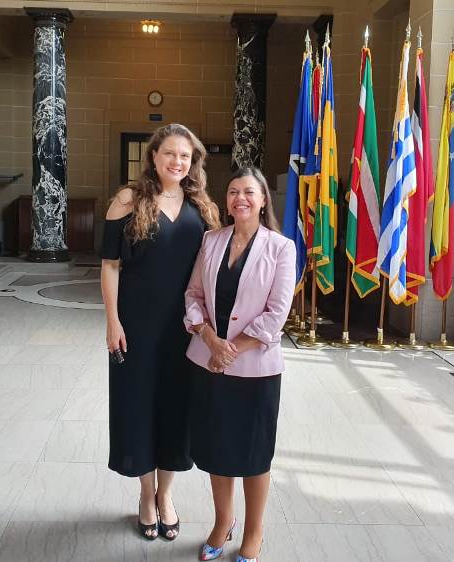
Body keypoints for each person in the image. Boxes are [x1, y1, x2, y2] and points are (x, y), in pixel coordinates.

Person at [100, 123, 221, 541]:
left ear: (193, 163)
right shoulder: (128, 200)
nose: (177, 161)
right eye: (169, 153)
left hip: (184, 328)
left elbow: (212, 273)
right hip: (136, 324)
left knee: (177, 409)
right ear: (154, 156)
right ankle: (145, 495)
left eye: (185, 156)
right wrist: (112, 320)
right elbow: (111, 265)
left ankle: (166, 495)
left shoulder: (202, 206)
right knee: (138, 407)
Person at [183, 167, 295, 562]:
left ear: (264, 199)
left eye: (249, 191)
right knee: (216, 447)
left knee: (253, 453)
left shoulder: (281, 247)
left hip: (255, 370)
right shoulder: (210, 240)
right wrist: (210, 339)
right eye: (232, 191)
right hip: (208, 362)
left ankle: (253, 531)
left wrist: (231, 348)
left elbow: (276, 312)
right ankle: (222, 521)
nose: (239, 198)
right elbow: (194, 294)